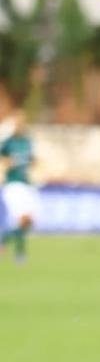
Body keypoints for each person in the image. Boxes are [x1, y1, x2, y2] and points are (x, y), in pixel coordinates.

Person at [1, 110, 39, 264]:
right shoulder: (8, 142)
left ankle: (3, 240)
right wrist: (8, 162)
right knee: (22, 218)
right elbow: (3, 157)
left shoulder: (27, 142)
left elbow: (32, 159)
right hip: (12, 185)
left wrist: (34, 164)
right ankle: (20, 253)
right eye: (17, 122)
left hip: (26, 184)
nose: (19, 125)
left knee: (29, 220)